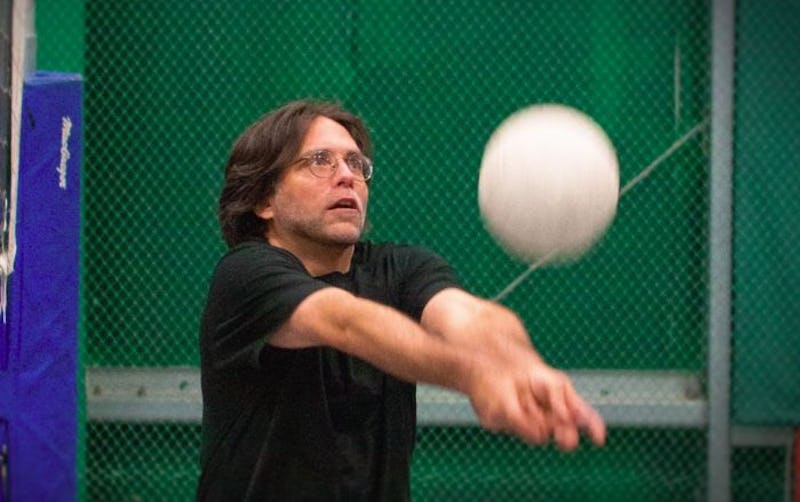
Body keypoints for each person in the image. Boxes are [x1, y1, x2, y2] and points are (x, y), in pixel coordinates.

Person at [197, 99, 606, 501]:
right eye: (320, 160)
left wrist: (519, 365)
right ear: (264, 200)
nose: (347, 176)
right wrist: (474, 376)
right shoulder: (245, 276)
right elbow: (344, 322)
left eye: (357, 164)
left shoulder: (402, 267)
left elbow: (467, 317)